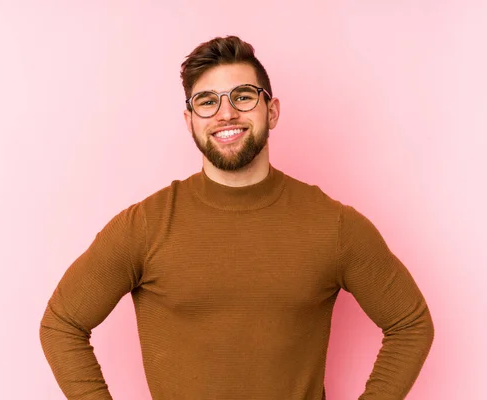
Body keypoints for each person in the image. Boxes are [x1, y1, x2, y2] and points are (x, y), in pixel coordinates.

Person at [40, 35, 434, 400]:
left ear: (272, 110)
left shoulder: (334, 226)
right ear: (189, 120)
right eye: (207, 101)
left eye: (243, 96)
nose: (225, 113)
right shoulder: (146, 225)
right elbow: (62, 324)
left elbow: (410, 324)